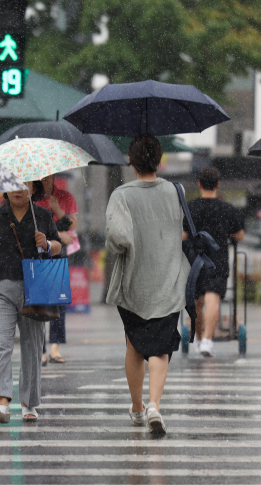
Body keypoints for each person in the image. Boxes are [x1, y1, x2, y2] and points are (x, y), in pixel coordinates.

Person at [105, 134, 190, 435]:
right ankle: (155, 403)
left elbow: (118, 240)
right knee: (161, 348)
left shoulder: (122, 195)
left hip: (133, 283)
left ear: (131, 160)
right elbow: (180, 231)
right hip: (168, 279)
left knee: (134, 345)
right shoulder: (174, 190)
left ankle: (138, 407)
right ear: (160, 158)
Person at [0, 185, 62, 424]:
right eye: (12, 185)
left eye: (24, 184)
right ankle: (2, 400)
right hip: (0, 289)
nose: (18, 190)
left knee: (32, 346)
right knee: (1, 343)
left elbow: (59, 245)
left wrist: (47, 244)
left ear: (33, 188)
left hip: (34, 290)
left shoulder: (42, 216)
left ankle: (29, 402)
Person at [183, 166, 245, 357]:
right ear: (218, 184)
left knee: (197, 301)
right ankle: (208, 341)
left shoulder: (190, 208)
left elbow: (183, 235)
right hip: (218, 259)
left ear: (199, 184)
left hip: (195, 260)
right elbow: (240, 235)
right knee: (213, 298)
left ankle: (199, 339)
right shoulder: (227, 209)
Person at [33, 175, 79, 365]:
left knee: (58, 302)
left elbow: (73, 227)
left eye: (49, 178)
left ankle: (55, 347)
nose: (46, 181)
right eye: (42, 178)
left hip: (58, 255)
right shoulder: (32, 198)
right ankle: (41, 349)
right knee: (39, 303)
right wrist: (59, 235)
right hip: (37, 254)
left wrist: (57, 209)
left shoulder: (65, 197)